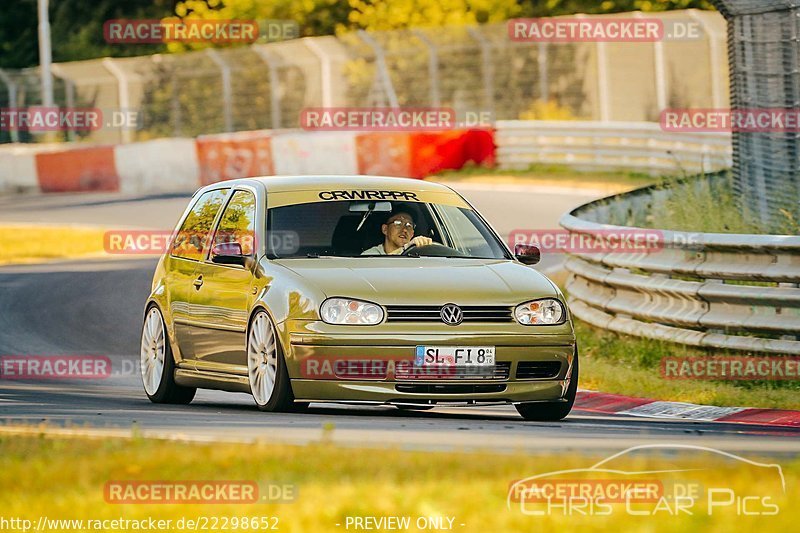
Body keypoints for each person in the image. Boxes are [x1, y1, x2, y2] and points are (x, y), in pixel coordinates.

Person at [361, 211, 433, 255]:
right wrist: (406, 248)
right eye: (398, 223)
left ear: (412, 234)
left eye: (409, 225)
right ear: (385, 229)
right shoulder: (370, 255)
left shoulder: (420, 255)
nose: (404, 230)